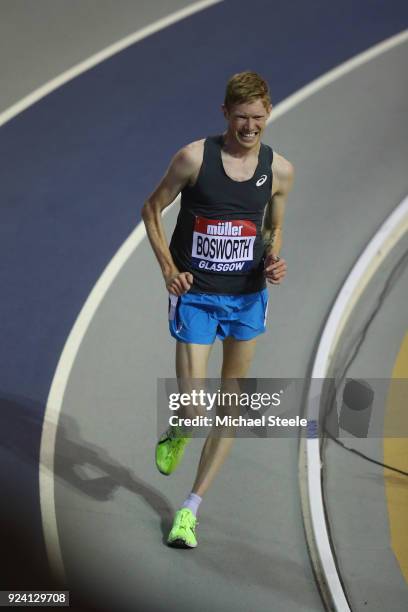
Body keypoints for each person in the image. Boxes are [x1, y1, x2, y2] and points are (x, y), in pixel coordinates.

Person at [142, 71, 293, 548]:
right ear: (225, 113)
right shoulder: (194, 158)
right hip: (198, 295)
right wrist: (169, 269)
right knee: (194, 403)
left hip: (247, 298)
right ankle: (181, 426)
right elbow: (151, 209)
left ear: (269, 112)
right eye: (242, 117)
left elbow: (274, 227)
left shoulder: (281, 171)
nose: (251, 127)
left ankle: (190, 510)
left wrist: (271, 258)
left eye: (259, 118)